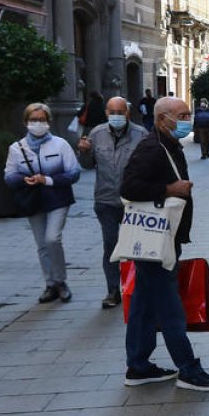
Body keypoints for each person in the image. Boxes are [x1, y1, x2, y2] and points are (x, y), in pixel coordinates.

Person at [119, 96, 209, 391]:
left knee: (142, 303)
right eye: (182, 114)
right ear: (163, 119)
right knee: (169, 306)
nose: (188, 119)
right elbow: (128, 187)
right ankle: (188, 369)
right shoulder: (152, 148)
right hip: (156, 241)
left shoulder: (167, 144)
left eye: (188, 113)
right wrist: (169, 189)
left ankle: (138, 366)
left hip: (163, 236)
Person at [5, 103, 82, 303]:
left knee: (52, 239)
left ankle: (61, 281)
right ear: (26, 122)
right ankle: (50, 284)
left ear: (48, 122)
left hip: (58, 198)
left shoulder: (60, 144)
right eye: (33, 120)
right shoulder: (17, 148)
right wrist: (24, 179)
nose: (37, 124)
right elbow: (9, 177)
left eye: (41, 120)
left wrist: (47, 179)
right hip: (34, 201)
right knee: (41, 244)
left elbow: (74, 173)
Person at [77, 96, 148, 308]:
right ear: (107, 113)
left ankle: (135, 288)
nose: (117, 116)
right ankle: (113, 290)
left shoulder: (141, 135)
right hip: (106, 200)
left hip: (133, 201)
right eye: (113, 112)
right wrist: (83, 152)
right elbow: (88, 165)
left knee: (136, 247)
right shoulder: (96, 134)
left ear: (127, 113)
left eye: (121, 112)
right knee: (111, 245)